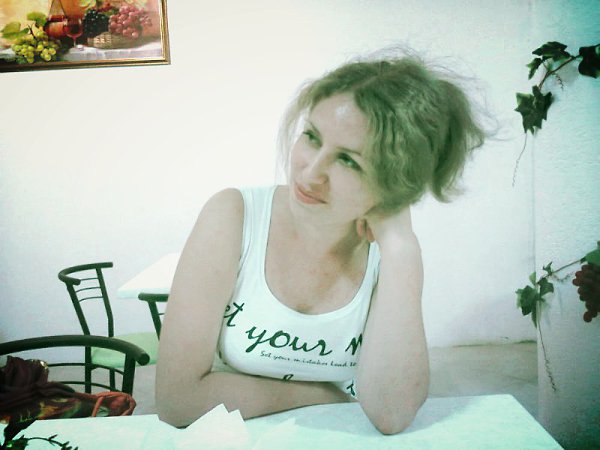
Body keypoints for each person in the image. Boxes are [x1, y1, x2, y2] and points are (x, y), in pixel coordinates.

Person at [156, 51, 486, 435]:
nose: (311, 173)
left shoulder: (390, 251)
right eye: (312, 137)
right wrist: (321, 395)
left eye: (349, 161)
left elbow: (392, 414)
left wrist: (401, 248)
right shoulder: (233, 216)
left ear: (396, 181)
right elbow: (177, 399)